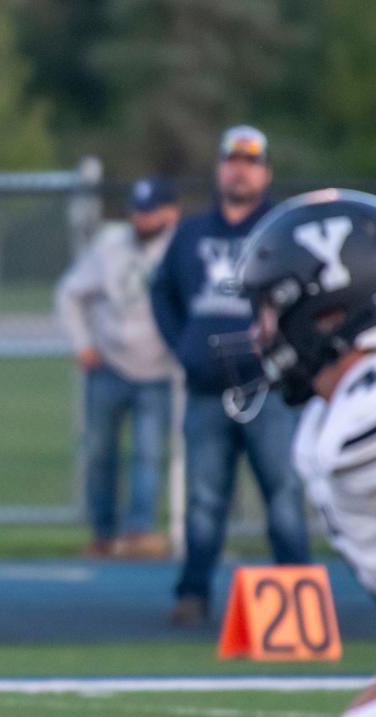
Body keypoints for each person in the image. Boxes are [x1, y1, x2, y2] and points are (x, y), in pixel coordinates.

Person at [230, 189, 376, 717]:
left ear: (326, 309)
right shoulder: (340, 413)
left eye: (270, 309)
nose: (259, 332)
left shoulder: (361, 408)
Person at [151, 126, 310, 626]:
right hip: (206, 389)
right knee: (203, 499)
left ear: (265, 171)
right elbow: (162, 294)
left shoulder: (283, 229)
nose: (239, 169)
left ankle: (298, 601)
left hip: (267, 387)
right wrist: (184, 346)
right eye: (231, 160)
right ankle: (193, 594)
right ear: (220, 167)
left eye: (250, 161)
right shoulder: (193, 232)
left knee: (282, 494)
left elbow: (308, 294)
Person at [56, 176, 181, 559]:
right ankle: (103, 533)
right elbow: (70, 292)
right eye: (137, 212)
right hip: (109, 366)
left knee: (147, 453)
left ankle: (138, 533)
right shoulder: (110, 246)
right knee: (99, 453)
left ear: (170, 213)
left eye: (150, 211)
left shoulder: (181, 249)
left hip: (158, 371)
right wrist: (82, 344)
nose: (142, 220)